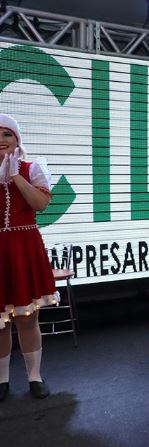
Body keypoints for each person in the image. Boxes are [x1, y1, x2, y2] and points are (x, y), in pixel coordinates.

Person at [0, 114, 55, 401]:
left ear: (17, 140)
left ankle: (35, 376)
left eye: (7, 134)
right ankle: (2, 379)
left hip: (24, 248)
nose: (1, 140)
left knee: (27, 318)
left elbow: (41, 204)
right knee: (0, 322)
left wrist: (15, 178)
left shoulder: (32, 168)